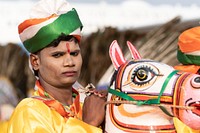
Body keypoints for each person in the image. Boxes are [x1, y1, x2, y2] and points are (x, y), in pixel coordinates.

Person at [6, 0, 107, 132]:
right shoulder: (29, 112)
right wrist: (90, 124)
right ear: (35, 62)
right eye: (58, 55)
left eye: (75, 53)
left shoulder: (88, 106)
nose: (70, 62)